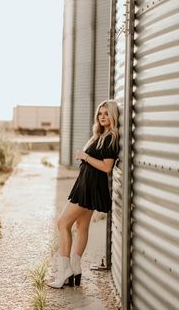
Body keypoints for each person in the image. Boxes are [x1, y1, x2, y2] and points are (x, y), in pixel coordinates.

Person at [48, 99, 119, 289]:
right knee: (82, 226)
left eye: (106, 113)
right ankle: (76, 269)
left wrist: (84, 156)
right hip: (87, 184)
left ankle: (64, 272)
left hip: (91, 186)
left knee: (63, 223)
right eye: (100, 113)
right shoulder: (100, 135)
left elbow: (107, 167)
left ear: (113, 115)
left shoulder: (111, 137)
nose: (102, 117)